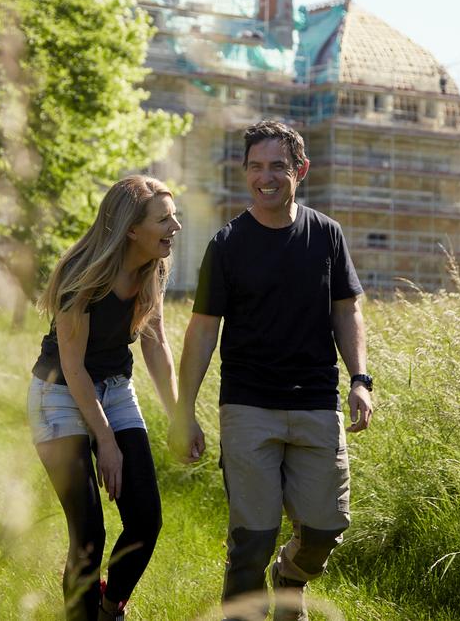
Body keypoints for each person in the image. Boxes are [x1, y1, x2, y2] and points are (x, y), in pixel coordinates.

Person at [169, 120, 373, 621]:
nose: (266, 177)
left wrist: (360, 380)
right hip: (247, 406)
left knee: (326, 527)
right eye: (256, 166)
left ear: (300, 170)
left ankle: (290, 578)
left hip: (316, 403)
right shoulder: (227, 244)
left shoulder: (327, 234)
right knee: (250, 542)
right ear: (245, 173)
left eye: (278, 166)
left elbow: (346, 311)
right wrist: (184, 411)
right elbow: (202, 330)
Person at [29, 175, 181, 621]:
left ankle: (110, 607)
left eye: (174, 216)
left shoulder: (154, 264)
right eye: (164, 219)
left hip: (114, 388)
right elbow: (73, 369)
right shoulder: (82, 274)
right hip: (58, 393)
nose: (175, 227)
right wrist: (106, 443)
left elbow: (155, 344)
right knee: (89, 533)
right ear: (131, 229)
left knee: (145, 522)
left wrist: (178, 415)